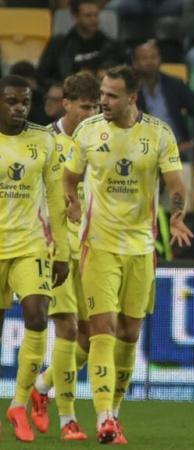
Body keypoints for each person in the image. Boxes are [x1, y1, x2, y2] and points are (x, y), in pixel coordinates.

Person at [63, 65, 194, 444]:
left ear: (132, 98)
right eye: (102, 93)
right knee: (102, 329)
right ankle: (104, 416)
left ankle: (111, 411)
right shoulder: (88, 131)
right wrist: (72, 201)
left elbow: (175, 185)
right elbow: (70, 177)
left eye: (112, 95)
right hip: (99, 245)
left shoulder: (157, 134)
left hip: (140, 249)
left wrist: (180, 215)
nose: (103, 101)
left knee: (129, 333)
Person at [29, 72, 100, 442]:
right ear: (66, 103)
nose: (91, 114)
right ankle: (67, 419)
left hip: (92, 248)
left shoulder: (101, 141)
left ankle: (41, 386)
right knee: (68, 329)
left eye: (96, 107)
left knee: (91, 338)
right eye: (85, 107)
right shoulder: (42, 141)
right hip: (54, 248)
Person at [0, 75, 69, 442]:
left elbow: (57, 199)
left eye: (24, 101)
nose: (19, 108)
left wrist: (63, 250)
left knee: (38, 316)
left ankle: (18, 404)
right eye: (11, 101)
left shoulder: (44, 140)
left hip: (30, 245)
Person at [133, 40, 194, 160]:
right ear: (135, 63)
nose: (150, 61)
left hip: (178, 147)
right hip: (143, 148)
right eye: (144, 58)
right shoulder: (130, 89)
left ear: (160, 60)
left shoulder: (174, 84)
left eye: (153, 57)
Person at [37, 0, 127, 88]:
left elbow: (124, 75)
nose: (94, 20)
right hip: (67, 95)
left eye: (96, 15)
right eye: (88, 16)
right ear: (75, 17)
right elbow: (42, 77)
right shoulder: (59, 45)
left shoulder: (112, 45)